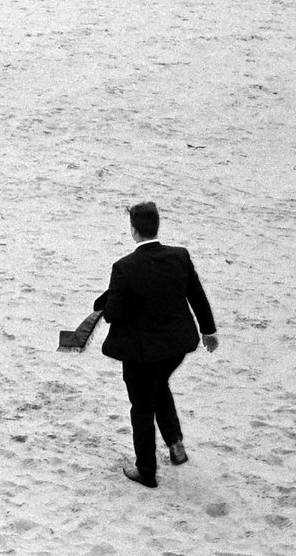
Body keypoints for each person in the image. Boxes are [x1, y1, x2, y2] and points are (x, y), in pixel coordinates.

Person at [93, 202, 219, 488]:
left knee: (141, 407)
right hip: (175, 346)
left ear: (134, 231)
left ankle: (146, 470)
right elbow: (196, 296)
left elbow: (113, 314)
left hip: (141, 352)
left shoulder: (123, 267)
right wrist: (208, 331)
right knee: (159, 386)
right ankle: (175, 444)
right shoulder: (179, 257)